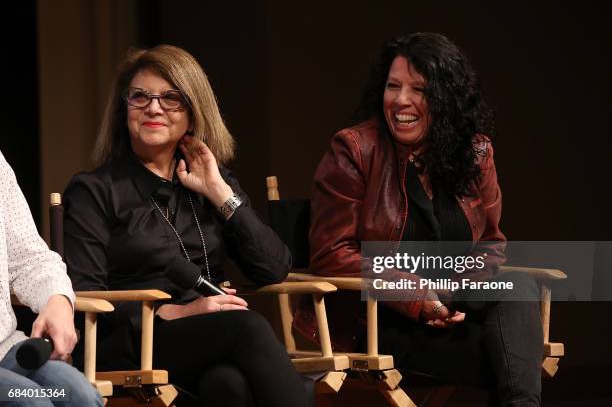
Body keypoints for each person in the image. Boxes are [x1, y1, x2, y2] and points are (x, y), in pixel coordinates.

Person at [294, 33, 543, 406]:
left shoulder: (475, 154)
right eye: (393, 86)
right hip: (378, 325)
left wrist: (447, 301)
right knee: (514, 361)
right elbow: (333, 254)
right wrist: (415, 295)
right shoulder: (355, 150)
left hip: (452, 314)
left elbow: (490, 246)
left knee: (517, 289)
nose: (401, 100)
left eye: (420, 89)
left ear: (448, 100)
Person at [63, 45, 308, 407]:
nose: (154, 107)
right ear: (124, 110)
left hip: (209, 341)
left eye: (171, 98)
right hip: (132, 342)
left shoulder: (212, 181)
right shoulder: (94, 191)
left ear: (193, 115)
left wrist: (219, 192)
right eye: (140, 97)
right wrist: (174, 312)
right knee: (249, 326)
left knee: (228, 386)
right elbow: (83, 292)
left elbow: (273, 268)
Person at [0, 153, 103, 406]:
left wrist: (57, 300)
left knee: (80, 396)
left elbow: (29, 259)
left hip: (5, 350)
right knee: (31, 401)